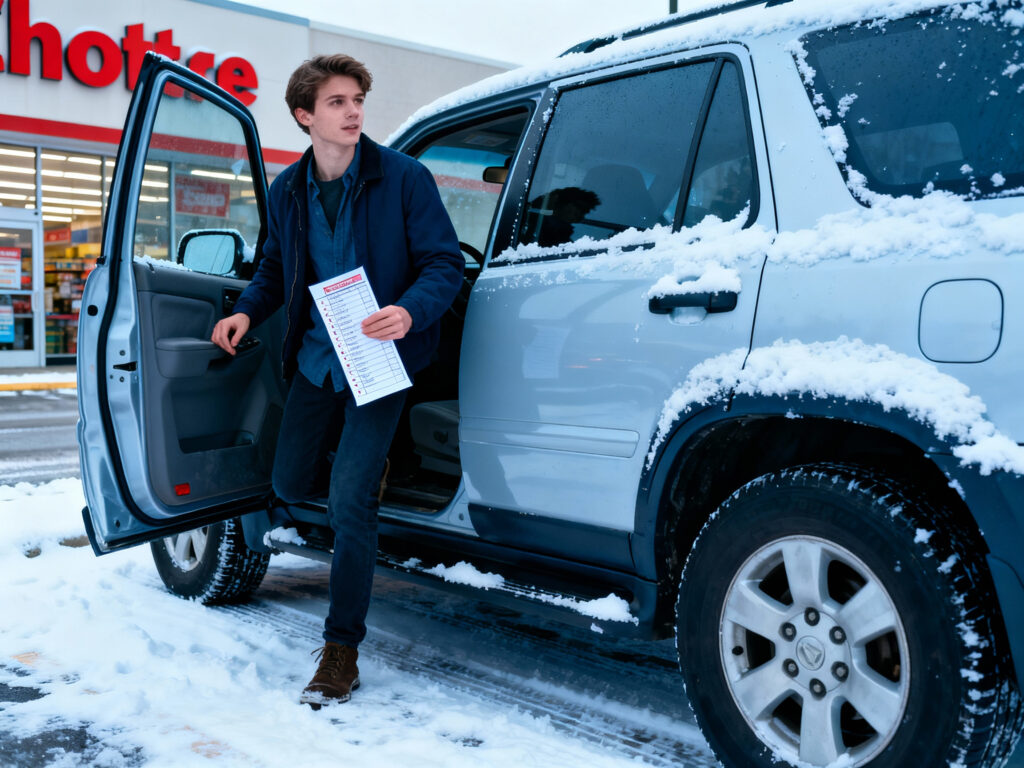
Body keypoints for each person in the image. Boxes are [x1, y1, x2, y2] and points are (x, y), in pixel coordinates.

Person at [211, 54, 463, 707]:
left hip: (382, 360)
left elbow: (444, 264)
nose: (354, 112)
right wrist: (243, 310)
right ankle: (361, 471)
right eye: (337, 102)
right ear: (304, 116)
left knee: (351, 504)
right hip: (320, 358)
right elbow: (275, 268)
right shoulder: (288, 190)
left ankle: (340, 651)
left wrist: (409, 309)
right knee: (289, 484)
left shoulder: (405, 178)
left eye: (357, 100)